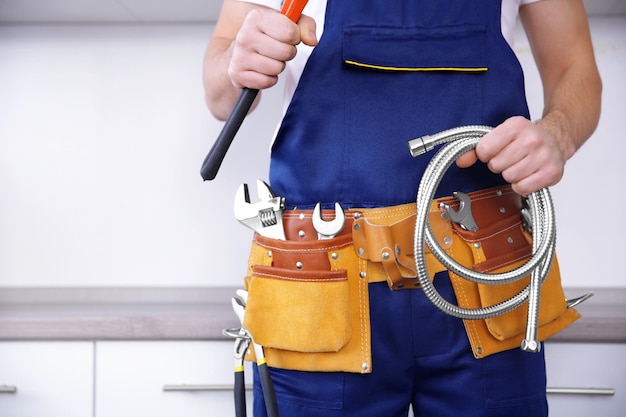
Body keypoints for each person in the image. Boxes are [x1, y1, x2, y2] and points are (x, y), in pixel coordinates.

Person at [203, 1, 602, 416]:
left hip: (488, 284)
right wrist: (236, 61)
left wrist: (558, 132)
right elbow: (219, 95)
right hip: (321, 288)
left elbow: (576, 67)